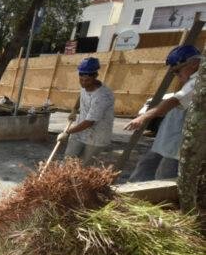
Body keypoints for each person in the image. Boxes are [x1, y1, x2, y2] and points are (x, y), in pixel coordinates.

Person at [126, 45, 202, 181]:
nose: (177, 76)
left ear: (194, 63)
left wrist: (143, 117)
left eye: (178, 71)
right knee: (145, 166)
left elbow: (175, 100)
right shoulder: (192, 80)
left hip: (180, 143)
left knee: (164, 177)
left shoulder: (199, 81)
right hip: (168, 139)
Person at [58, 57, 115, 166]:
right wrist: (74, 109)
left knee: (84, 165)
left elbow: (89, 122)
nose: (83, 83)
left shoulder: (102, 96)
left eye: (87, 80)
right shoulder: (85, 86)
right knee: (68, 160)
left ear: (95, 76)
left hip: (97, 136)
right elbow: (81, 95)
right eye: (81, 80)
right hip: (80, 130)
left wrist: (67, 132)